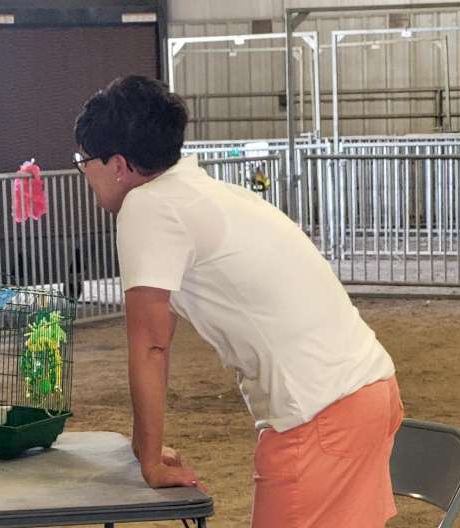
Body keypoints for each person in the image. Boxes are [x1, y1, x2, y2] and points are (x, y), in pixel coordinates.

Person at [72, 76, 402, 528]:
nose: (83, 173)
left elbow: (150, 345)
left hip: (320, 415)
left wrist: (149, 461)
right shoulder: (198, 192)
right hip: (364, 393)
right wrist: (145, 448)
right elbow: (160, 330)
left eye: (84, 161)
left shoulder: (148, 207)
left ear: (119, 165)